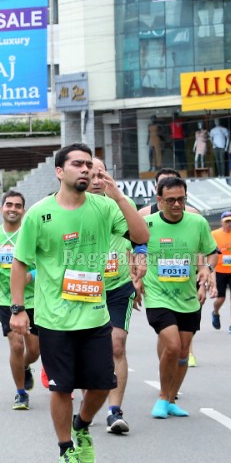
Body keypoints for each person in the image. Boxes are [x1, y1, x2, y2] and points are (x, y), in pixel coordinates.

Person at [10, 143, 149, 463]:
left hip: (94, 314)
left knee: (102, 385)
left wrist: (118, 197)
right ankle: (65, 450)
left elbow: (141, 235)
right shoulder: (40, 214)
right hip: (54, 318)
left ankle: (82, 424)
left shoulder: (104, 208)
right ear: (60, 171)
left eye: (90, 165)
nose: (86, 169)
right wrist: (18, 309)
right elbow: (20, 263)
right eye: (78, 164)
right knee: (61, 387)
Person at [140, 176, 216, 419]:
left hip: (188, 298)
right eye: (170, 200)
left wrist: (207, 268)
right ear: (159, 200)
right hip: (158, 295)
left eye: (181, 199)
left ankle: (172, 398)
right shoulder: (146, 224)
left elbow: (211, 252)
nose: (176, 204)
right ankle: (163, 397)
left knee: (183, 352)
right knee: (172, 345)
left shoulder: (198, 223)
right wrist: (136, 276)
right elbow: (132, 251)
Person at [89, 159, 141, 434]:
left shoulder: (120, 203)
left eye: (101, 174)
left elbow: (139, 236)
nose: (96, 180)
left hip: (118, 285)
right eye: (90, 174)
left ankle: (114, 411)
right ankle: (90, 399)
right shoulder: (68, 205)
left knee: (117, 344)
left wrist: (140, 257)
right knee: (88, 350)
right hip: (82, 288)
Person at [0, 190, 39, 410]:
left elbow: (47, 263)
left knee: (33, 351)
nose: (13, 209)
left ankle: (24, 367)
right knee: (15, 345)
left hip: (34, 298)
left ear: (23, 210)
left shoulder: (32, 234)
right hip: (6, 298)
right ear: (2, 208)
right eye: (9, 205)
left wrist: (32, 276)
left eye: (17, 206)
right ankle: (21, 393)